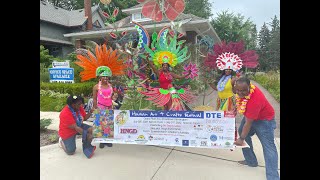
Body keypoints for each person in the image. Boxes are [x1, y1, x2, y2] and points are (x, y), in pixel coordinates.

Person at [74, 44, 127, 149]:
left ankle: (107, 140)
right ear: (100, 77)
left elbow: (111, 97)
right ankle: (102, 141)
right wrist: (95, 107)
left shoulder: (110, 86)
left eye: (107, 77)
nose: (105, 79)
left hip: (109, 107)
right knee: (101, 124)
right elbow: (94, 98)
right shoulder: (96, 87)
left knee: (109, 124)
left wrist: (112, 105)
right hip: (100, 107)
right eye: (103, 77)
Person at [234, 77, 279, 180]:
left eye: (243, 90)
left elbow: (248, 123)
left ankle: (273, 177)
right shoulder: (241, 89)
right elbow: (238, 94)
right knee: (242, 132)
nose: (240, 93)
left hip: (264, 120)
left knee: (269, 147)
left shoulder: (254, 100)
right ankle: (251, 161)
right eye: (238, 90)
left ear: (249, 87)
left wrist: (241, 139)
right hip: (251, 116)